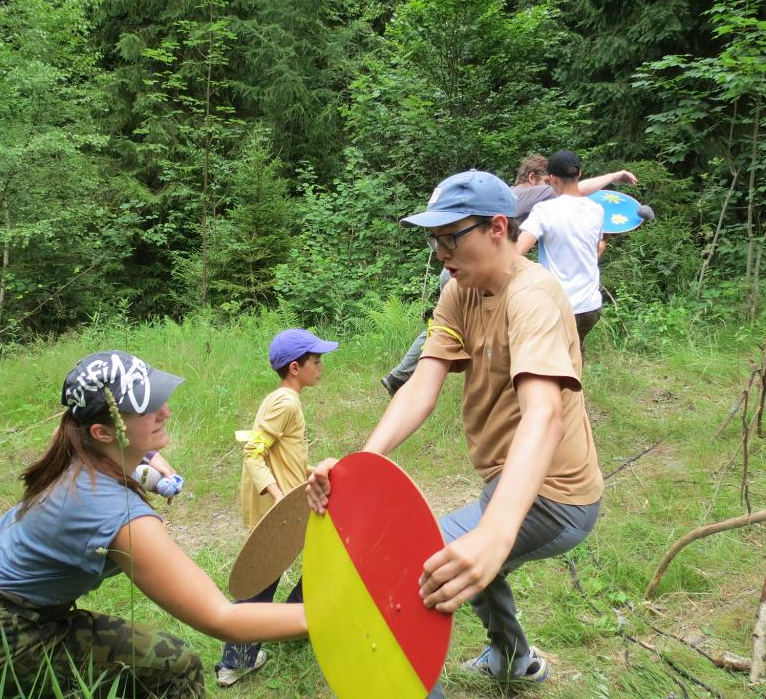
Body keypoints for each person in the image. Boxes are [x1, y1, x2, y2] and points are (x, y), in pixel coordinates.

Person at [311, 170, 604, 697]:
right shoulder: (459, 291)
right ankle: (514, 661)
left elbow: (544, 415)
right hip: (508, 480)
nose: (441, 251)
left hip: (556, 498)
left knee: (413, 575)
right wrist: (359, 467)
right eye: (434, 239)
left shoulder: (532, 297)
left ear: (497, 227)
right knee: (471, 565)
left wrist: (494, 532)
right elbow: (422, 385)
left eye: (451, 237)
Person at [0, 350, 307, 697]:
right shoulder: (122, 517)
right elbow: (221, 617)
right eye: (146, 408)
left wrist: (145, 459)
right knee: (176, 665)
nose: (165, 411)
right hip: (1, 634)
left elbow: (95, 435)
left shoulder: (74, 440)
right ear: (103, 433)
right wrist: (323, 616)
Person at [380, 154, 638, 394]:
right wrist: (615, 176)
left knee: (450, 330)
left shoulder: (508, 196)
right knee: (455, 330)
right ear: (534, 178)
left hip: (483, 271)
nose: (551, 187)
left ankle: (403, 377)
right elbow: (575, 192)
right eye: (546, 181)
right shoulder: (540, 196)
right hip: (481, 271)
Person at [215, 328, 338, 687]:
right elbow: (253, 452)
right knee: (260, 581)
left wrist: (311, 471)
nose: (321, 367)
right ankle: (234, 662)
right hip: (279, 509)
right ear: (296, 368)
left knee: (314, 557)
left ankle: (288, 620)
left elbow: (281, 453)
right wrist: (279, 496)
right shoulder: (286, 403)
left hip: (287, 500)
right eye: (316, 362)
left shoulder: (281, 399)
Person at [517, 150, 606, 360]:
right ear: (580, 174)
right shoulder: (596, 209)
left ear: (553, 179)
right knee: (575, 351)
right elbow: (599, 248)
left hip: (558, 305)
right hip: (590, 306)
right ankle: (575, 392)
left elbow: (518, 250)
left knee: (549, 360)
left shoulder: (544, 210)